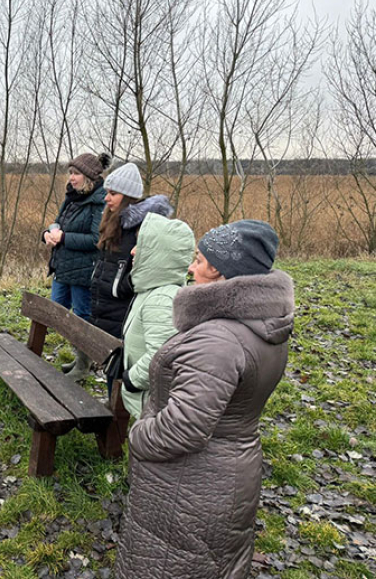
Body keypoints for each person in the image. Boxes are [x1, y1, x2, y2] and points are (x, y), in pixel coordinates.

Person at [116, 220, 295, 579]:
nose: (190, 268)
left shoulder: (218, 339)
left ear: (217, 270)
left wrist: (138, 433)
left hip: (190, 486)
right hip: (232, 470)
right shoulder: (262, 322)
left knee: (169, 567)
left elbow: (183, 429)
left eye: (198, 260)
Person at [88, 162, 173, 386]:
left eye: (113, 193)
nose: (106, 198)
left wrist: (121, 286)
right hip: (105, 308)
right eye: (107, 192)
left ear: (128, 197)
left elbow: (150, 271)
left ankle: (117, 417)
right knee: (111, 368)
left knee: (120, 371)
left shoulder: (145, 228)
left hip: (124, 310)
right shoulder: (111, 220)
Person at [118, 212, 195, 419]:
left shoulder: (162, 299)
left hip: (150, 402)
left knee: (147, 446)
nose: (132, 252)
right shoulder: (151, 290)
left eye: (140, 247)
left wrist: (131, 379)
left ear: (159, 254)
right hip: (145, 398)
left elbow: (160, 356)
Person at [42, 152, 109, 380]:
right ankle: (79, 357)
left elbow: (96, 240)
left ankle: (83, 364)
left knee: (82, 316)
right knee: (56, 311)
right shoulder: (72, 197)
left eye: (76, 173)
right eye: (70, 172)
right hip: (62, 267)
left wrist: (63, 238)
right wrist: (48, 233)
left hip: (84, 271)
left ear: (89, 177)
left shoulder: (99, 201)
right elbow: (58, 222)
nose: (71, 177)